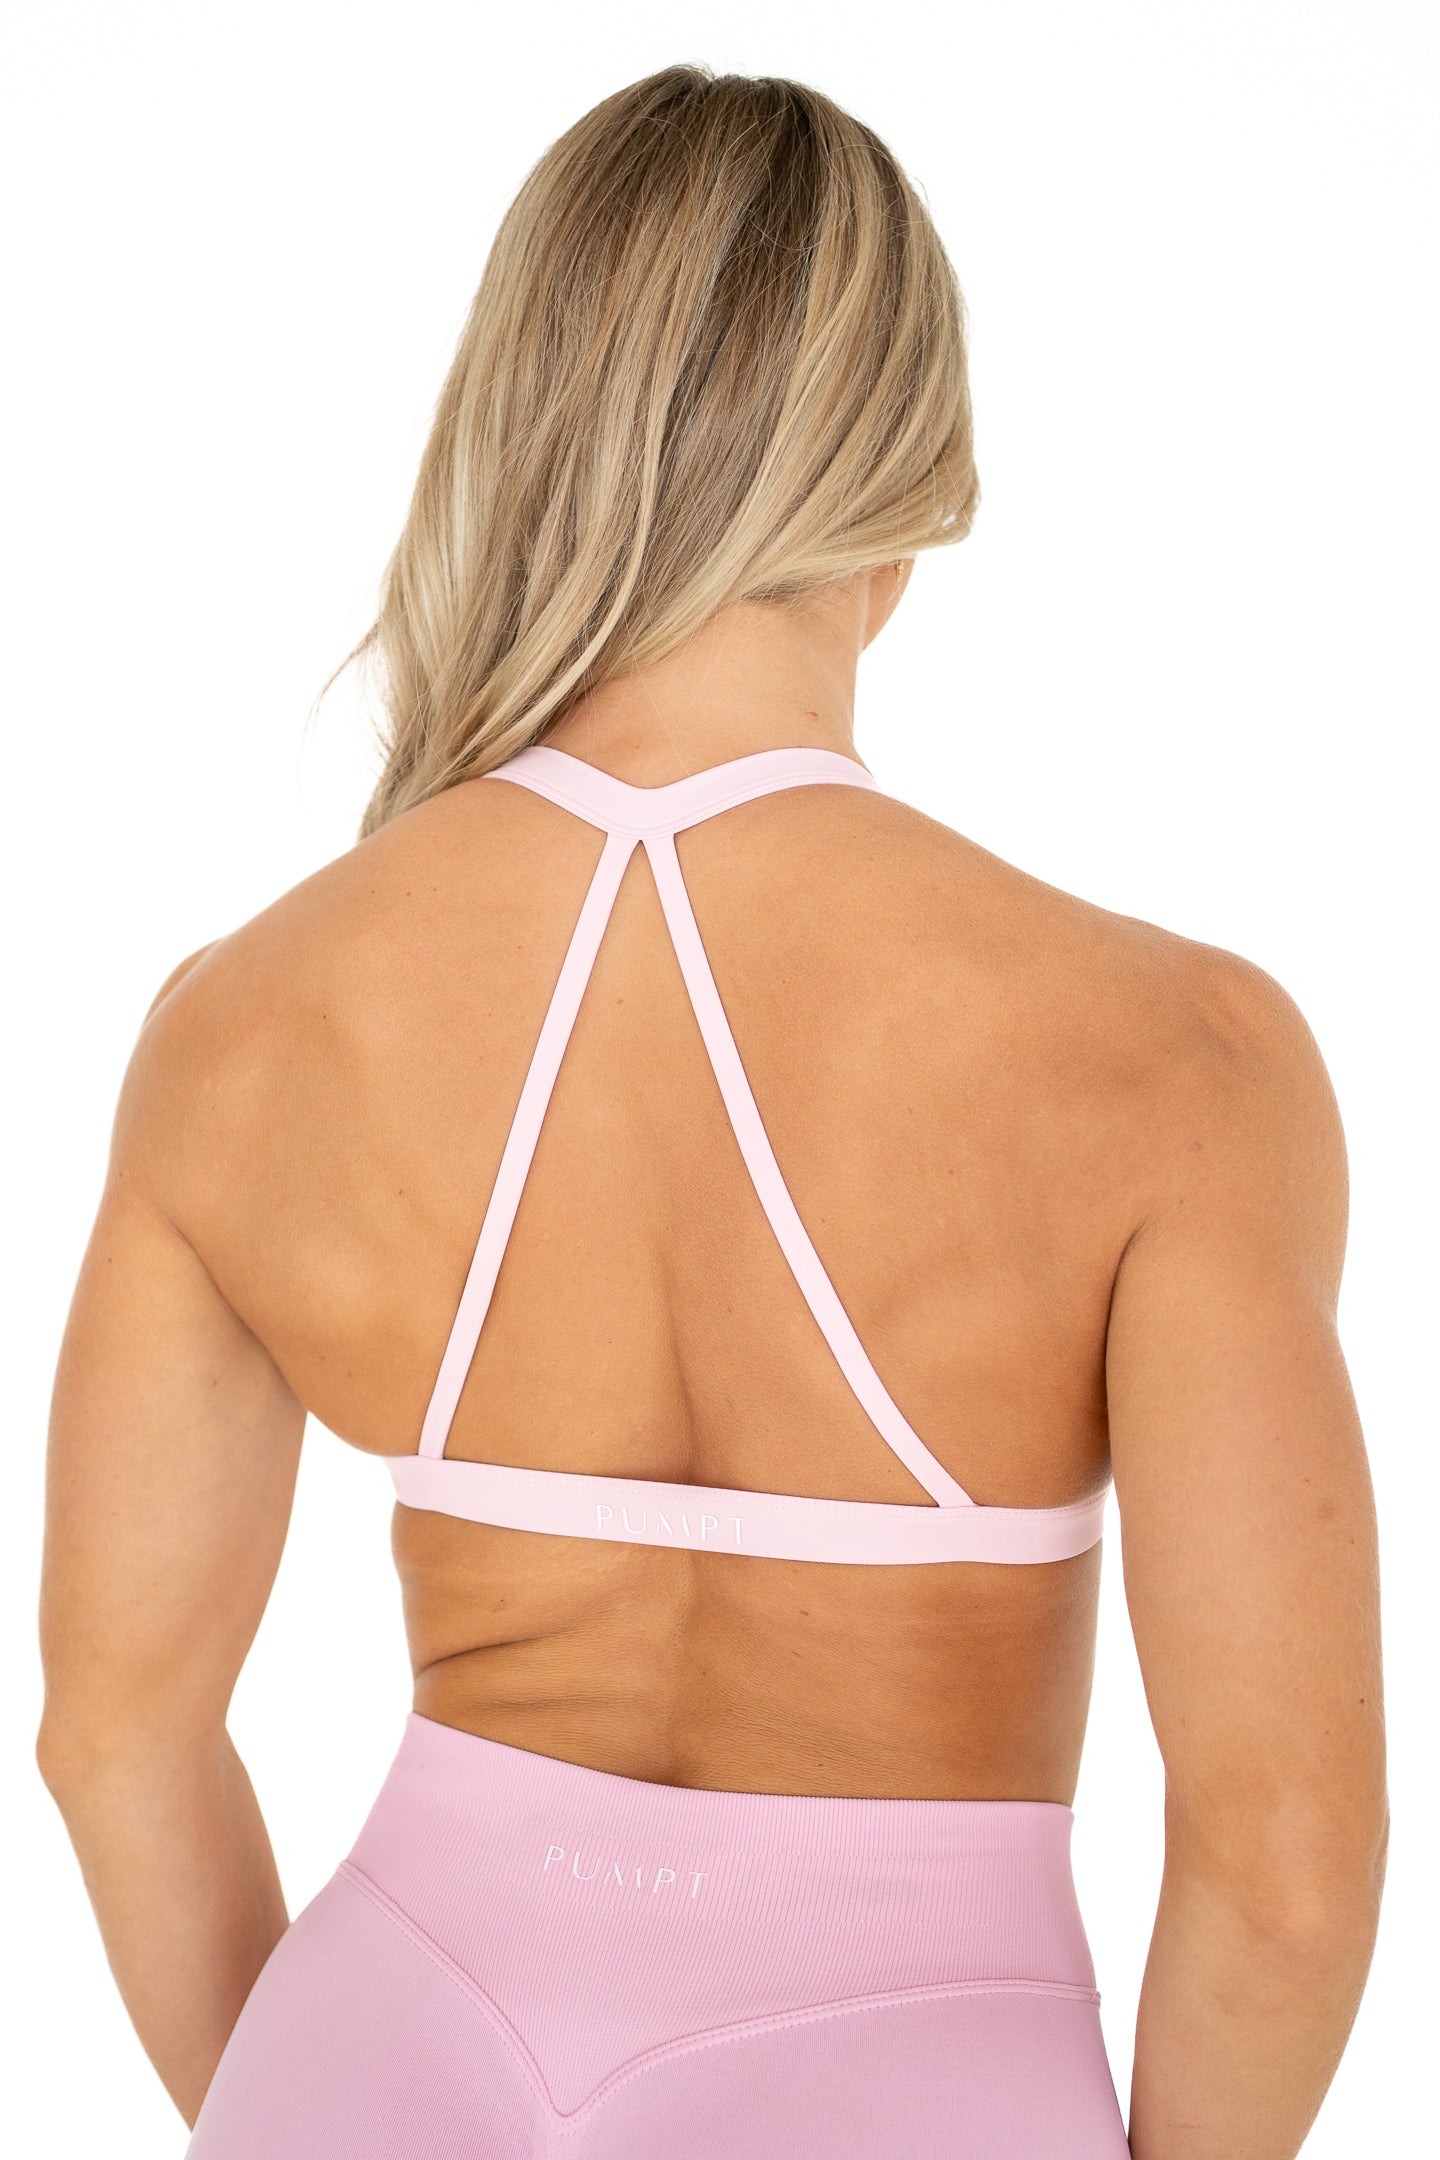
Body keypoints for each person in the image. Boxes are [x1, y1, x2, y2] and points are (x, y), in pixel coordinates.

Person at [37, 64, 1386, 2160]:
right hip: (908, 2077)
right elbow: (1285, 1857)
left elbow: (114, 1733)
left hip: (384, 2049)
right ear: (914, 492)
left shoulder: (242, 1026)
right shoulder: (1177, 1058)